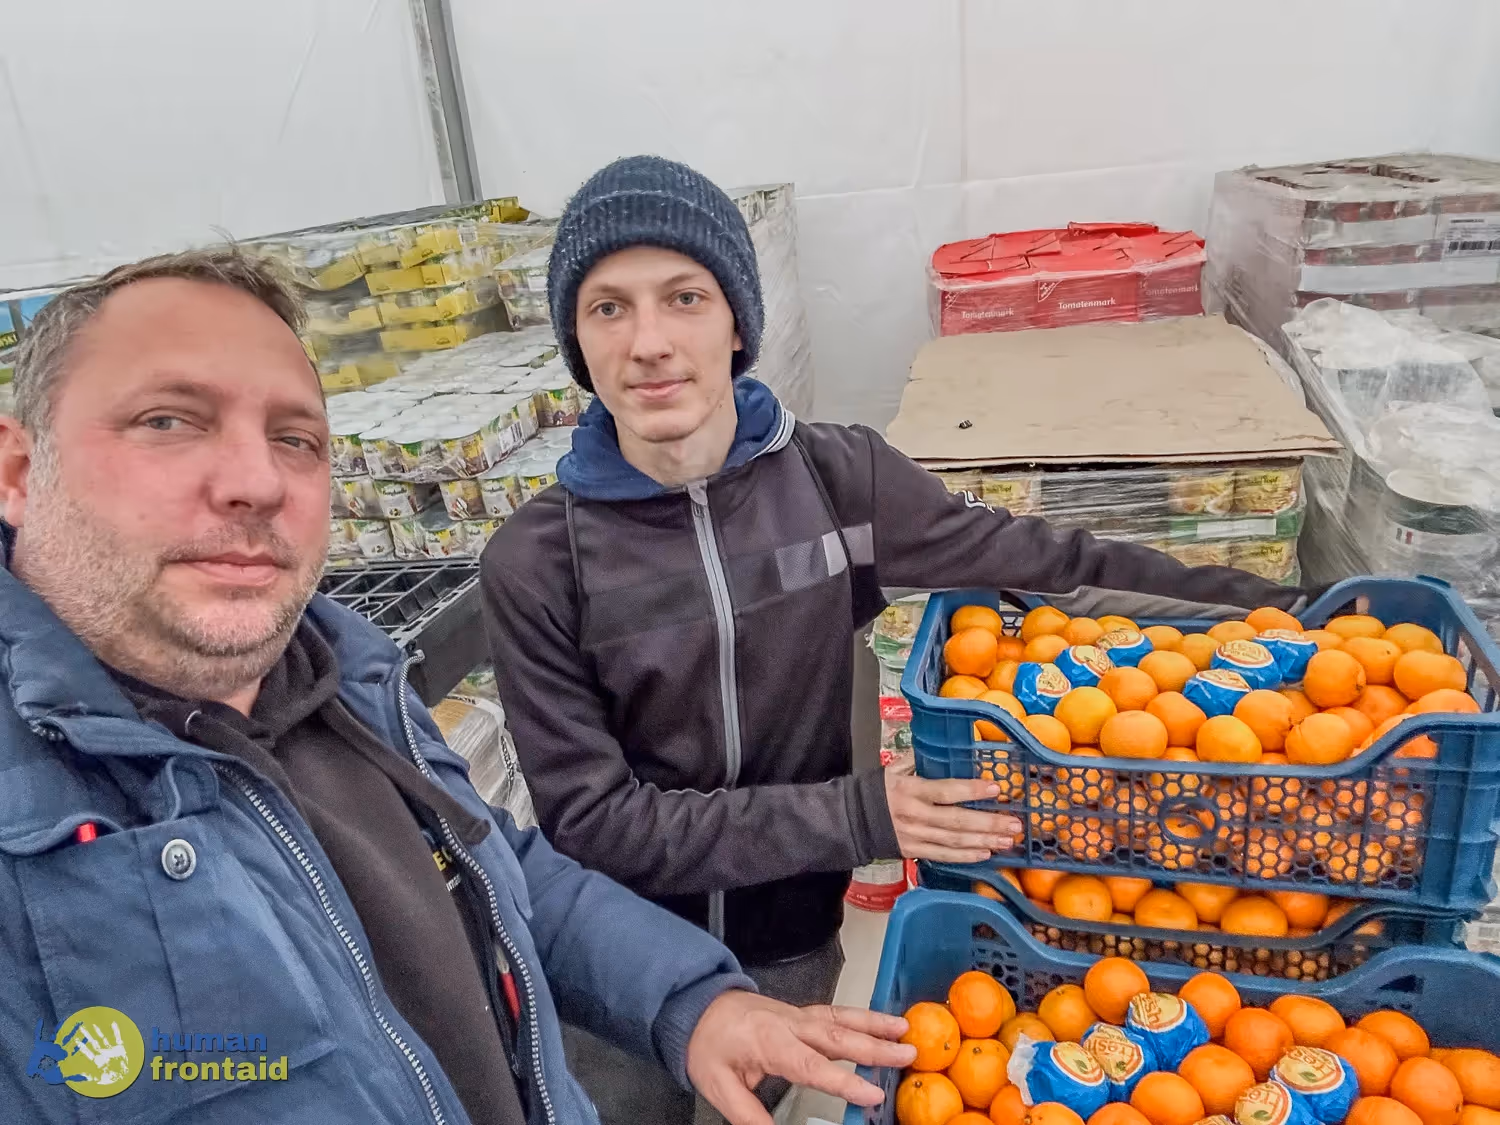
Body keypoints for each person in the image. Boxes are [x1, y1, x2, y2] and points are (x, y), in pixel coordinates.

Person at [480, 155, 1317, 1121]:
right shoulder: (537, 561)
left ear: (739, 320)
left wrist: (1282, 612)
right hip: (617, 958)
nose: (651, 342)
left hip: (792, 939)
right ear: (578, 344)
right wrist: (860, 815)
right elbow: (596, 822)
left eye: (685, 297)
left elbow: (1048, 563)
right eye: (608, 308)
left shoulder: (837, 482)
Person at [0, 247, 917, 1125]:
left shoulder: (345, 682)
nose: (253, 481)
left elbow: (497, 866)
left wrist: (691, 998)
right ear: (17, 469)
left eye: (295, 438)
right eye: (169, 420)